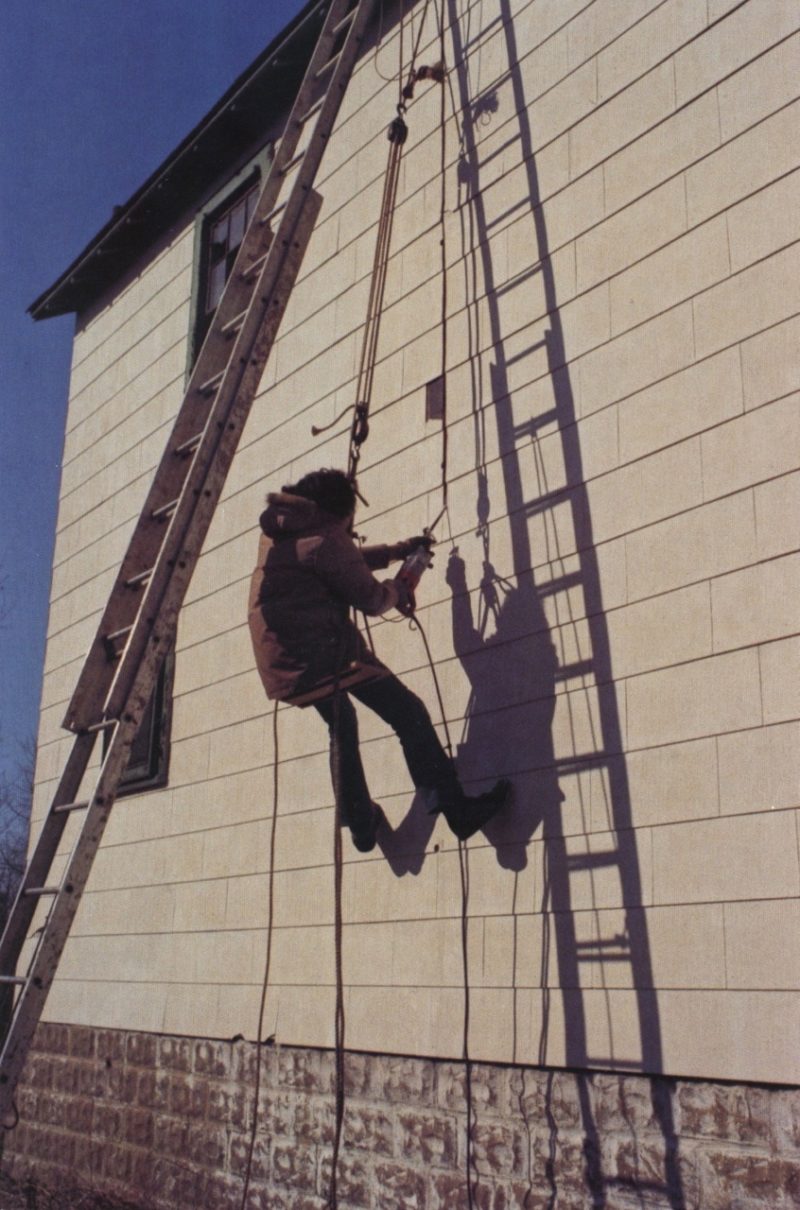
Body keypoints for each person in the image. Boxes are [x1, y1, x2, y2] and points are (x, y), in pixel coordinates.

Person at [248, 468, 510, 851]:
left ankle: (359, 824)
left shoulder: (286, 529)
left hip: (283, 661)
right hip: (322, 655)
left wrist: (397, 551)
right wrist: (397, 589)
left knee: (342, 723)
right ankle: (456, 810)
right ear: (341, 510)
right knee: (408, 712)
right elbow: (370, 599)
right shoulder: (324, 538)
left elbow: (339, 560)